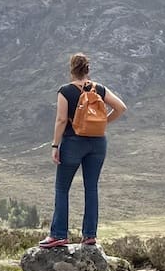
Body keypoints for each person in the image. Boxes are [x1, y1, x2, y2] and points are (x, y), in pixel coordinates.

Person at [40, 52, 127, 248]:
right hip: (98, 143)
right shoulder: (100, 89)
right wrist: (103, 123)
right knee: (91, 187)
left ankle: (59, 234)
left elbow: (62, 120)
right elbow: (121, 107)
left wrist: (55, 145)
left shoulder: (65, 91)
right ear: (88, 69)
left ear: (71, 70)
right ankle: (89, 235)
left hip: (73, 142)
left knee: (62, 188)